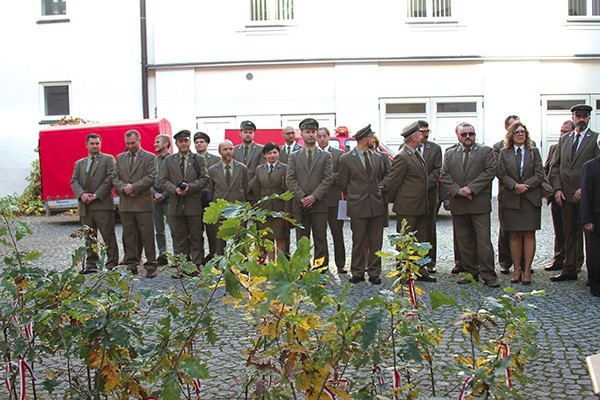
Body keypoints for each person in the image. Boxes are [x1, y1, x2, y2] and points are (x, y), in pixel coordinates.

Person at [440, 122, 499, 287]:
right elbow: (444, 174)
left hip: (478, 203)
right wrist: (458, 190)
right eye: (464, 134)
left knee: (483, 241)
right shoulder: (450, 153)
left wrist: (471, 189)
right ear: (458, 135)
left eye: (471, 134)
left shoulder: (485, 151)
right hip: (459, 203)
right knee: (464, 241)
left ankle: (488, 275)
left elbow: (490, 171)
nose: (468, 137)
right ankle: (470, 272)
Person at [550, 104, 600, 282]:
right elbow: (555, 166)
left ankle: (592, 273)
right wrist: (557, 188)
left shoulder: (595, 139)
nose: (581, 119)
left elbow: (597, 168)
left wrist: (584, 189)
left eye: (584, 117)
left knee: (590, 235)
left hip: (586, 197)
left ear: (589, 118)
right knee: (569, 232)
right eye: (578, 116)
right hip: (565, 195)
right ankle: (569, 269)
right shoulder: (564, 140)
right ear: (572, 117)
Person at [388, 122, 436, 283]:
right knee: (405, 240)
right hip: (407, 206)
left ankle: (419, 270)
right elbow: (393, 183)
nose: (422, 136)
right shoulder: (402, 156)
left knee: (420, 239)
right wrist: (397, 201)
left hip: (420, 205)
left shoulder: (415, 154)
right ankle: (403, 271)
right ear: (413, 137)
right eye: (419, 134)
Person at [497, 122, 544, 285]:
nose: (520, 134)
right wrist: (515, 186)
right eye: (516, 132)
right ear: (511, 135)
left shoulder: (534, 151)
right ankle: (516, 269)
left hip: (530, 198)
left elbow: (540, 173)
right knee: (514, 234)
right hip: (512, 198)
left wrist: (526, 186)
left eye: (523, 131)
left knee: (529, 234)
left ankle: (527, 270)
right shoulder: (504, 152)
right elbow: (501, 173)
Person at [338, 124, 386, 284]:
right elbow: (342, 183)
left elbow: (379, 178)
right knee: (358, 240)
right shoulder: (346, 159)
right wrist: (354, 195)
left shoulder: (376, 157)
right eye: (372, 137)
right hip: (357, 205)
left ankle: (374, 273)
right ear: (366, 139)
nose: (374, 140)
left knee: (376, 240)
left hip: (376, 204)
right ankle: (357, 272)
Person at [286, 118, 333, 269]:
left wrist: (314, 196)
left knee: (320, 238)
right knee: (302, 239)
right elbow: (290, 178)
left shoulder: (325, 156)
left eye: (313, 132)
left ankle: (320, 268)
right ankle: (303, 268)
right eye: (308, 132)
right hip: (300, 205)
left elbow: (328, 178)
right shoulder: (294, 156)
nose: (311, 135)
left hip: (319, 204)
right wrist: (302, 197)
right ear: (301, 134)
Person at [159, 130, 209, 267]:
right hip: (176, 204)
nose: (184, 144)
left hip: (193, 203)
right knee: (180, 237)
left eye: (186, 141)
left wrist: (190, 187)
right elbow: (162, 180)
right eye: (181, 141)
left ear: (189, 142)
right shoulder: (169, 160)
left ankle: (197, 264)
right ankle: (184, 266)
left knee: (196, 236)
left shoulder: (198, 159)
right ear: (176, 143)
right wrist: (174, 190)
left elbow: (205, 179)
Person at [112, 129, 158, 278]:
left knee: (147, 235)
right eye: (128, 143)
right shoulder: (120, 158)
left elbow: (151, 177)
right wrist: (123, 188)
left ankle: (151, 264)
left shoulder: (150, 157)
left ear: (139, 141)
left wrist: (134, 187)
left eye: (133, 143)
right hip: (126, 202)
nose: (130, 146)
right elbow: (114, 177)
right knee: (129, 234)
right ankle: (131, 263)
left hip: (143, 202)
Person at [70, 133, 119, 273]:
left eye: (97, 143)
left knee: (108, 236)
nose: (95, 146)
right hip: (86, 206)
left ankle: (112, 264)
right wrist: (82, 194)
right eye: (92, 144)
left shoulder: (108, 159)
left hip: (102, 205)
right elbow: (74, 181)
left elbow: (111, 178)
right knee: (89, 237)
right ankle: (91, 264)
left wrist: (97, 195)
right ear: (86, 145)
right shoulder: (80, 163)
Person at [249, 142, 290, 261]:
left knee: (280, 237)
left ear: (278, 153)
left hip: (280, 208)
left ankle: (281, 265)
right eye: (269, 153)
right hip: (265, 209)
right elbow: (256, 188)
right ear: (264, 155)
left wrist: (287, 211)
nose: (272, 155)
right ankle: (271, 265)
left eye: (275, 152)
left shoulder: (285, 168)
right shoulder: (259, 169)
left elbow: (288, 191)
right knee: (268, 238)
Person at [544, 120, 575, 272]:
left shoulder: (577, 147)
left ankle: (574, 262)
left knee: (572, 230)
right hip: (555, 193)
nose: (562, 134)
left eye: (566, 132)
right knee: (559, 229)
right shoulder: (554, 147)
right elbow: (549, 168)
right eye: (561, 131)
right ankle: (559, 258)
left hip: (572, 195)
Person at [208, 140, 249, 255]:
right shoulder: (212, 170)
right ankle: (220, 269)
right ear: (219, 151)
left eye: (231, 149)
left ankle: (242, 267)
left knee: (240, 241)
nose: (228, 152)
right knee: (220, 243)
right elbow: (211, 190)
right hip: (221, 211)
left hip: (238, 210)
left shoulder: (242, 168)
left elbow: (245, 188)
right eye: (225, 149)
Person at [317, 126, 346, 274]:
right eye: (319, 136)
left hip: (335, 199)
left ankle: (340, 264)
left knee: (338, 233)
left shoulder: (339, 154)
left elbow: (342, 175)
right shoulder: (314, 154)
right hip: (319, 201)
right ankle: (323, 264)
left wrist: (326, 179)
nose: (322, 139)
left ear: (329, 137)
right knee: (320, 234)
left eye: (324, 136)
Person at [493, 115, 520, 275]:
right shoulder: (498, 147)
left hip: (526, 193)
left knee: (524, 230)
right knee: (506, 229)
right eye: (513, 126)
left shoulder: (531, 146)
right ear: (506, 128)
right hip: (508, 193)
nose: (517, 130)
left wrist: (525, 185)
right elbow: (499, 170)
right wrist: (514, 185)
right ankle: (505, 261)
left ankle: (523, 262)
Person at [416, 120, 442, 274]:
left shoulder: (435, 148)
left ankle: (430, 261)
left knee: (429, 228)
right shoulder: (406, 148)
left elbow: (438, 170)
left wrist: (424, 186)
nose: (425, 134)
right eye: (422, 131)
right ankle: (415, 261)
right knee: (415, 229)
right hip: (413, 197)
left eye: (427, 131)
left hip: (430, 195)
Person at [194, 131, 221, 260]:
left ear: (207, 143)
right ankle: (199, 257)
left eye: (201, 142)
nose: (199, 144)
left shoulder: (216, 159)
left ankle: (213, 254)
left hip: (211, 198)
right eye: (197, 142)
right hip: (195, 198)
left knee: (213, 230)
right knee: (196, 230)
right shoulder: (191, 159)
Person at [153, 134, 177, 266]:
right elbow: (150, 178)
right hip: (155, 199)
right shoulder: (153, 160)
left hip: (169, 199)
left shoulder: (173, 160)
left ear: (166, 144)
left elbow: (175, 180)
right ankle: (162, 255)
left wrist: (165, 194)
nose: (155, 144)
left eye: (158, 142)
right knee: (159, 230)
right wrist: (154, 193)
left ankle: (177, 257)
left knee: (174, 230)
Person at [580, 153, 600, 297]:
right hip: (596, 217)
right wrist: (587, 219)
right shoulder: (590, 166)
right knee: (595, 253)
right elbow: (586, 194)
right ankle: (596, 285)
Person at [233, 120, 264, 201]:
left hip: (255, 190)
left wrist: (249, 186)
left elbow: (261, 170)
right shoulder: (234, 150)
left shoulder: (261, 149)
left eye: (250, 132)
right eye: (245, 132)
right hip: (238, 190)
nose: (248, 134)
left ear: (254, 134)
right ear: (240, 133)